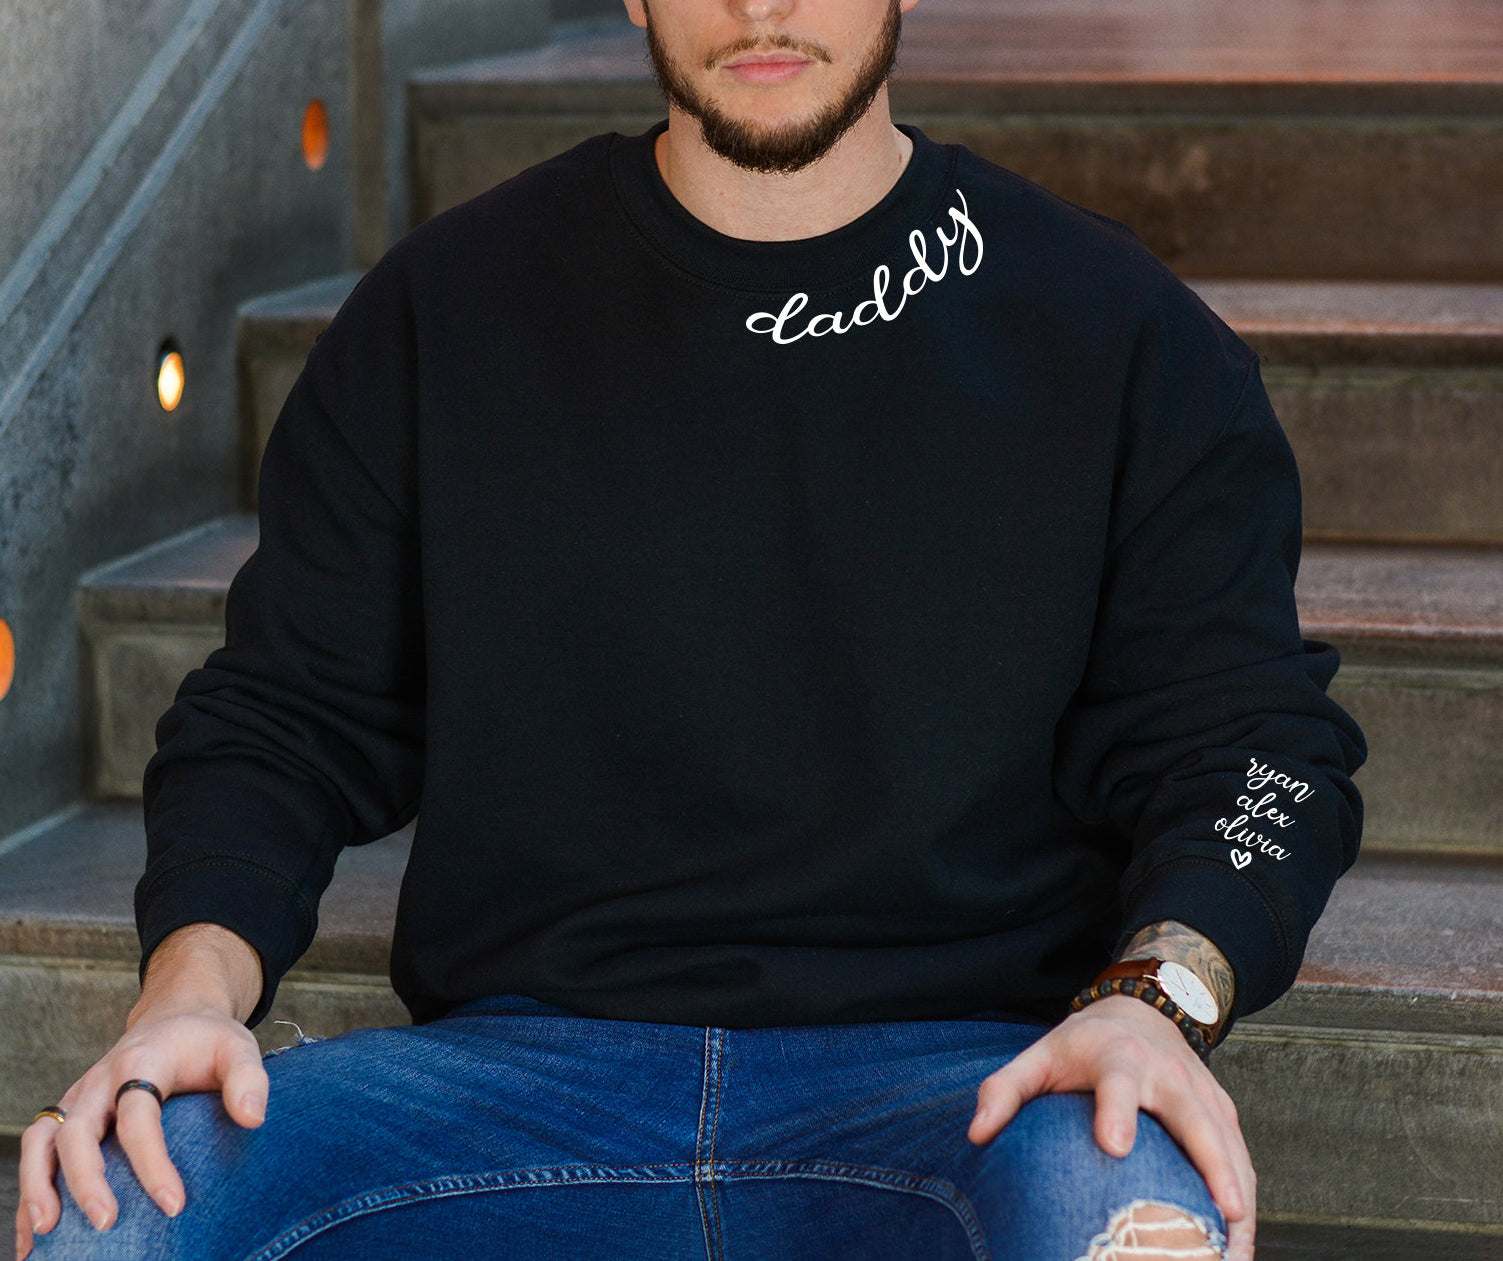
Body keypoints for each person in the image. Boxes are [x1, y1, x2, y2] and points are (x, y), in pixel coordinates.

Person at [15, 0, 1367, 1257]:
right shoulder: (447, 308)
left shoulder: (1116, 332)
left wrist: (1151, 1003)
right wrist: (187, 997)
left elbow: (1251, 745)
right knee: (113, 1203)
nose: (760, 4)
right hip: (503, 1089)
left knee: (1122, 1201)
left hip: (964, 1083)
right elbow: (283, 717)